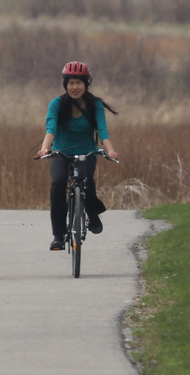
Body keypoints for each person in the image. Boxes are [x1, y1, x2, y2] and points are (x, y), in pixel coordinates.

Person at [37, 61, 119, 251]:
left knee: (86, 178)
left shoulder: (94, 105)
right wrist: (44, 148)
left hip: (87, 152)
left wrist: (110, 150)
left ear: (86, 84)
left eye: (79, 83)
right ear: (65, 84)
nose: (75, 87)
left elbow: (102, 130)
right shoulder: (57, 104)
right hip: (61, 152)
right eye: (71, 82)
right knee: (58, 182)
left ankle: (92, 212)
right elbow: (51, 128)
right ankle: (58, 234)